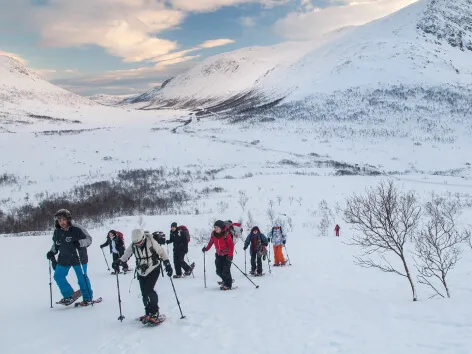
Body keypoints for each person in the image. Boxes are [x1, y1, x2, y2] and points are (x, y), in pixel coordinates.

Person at [113, 229, 173, 325]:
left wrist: (167, 264)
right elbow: (127, 253)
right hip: (141, 270)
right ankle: (148, 313)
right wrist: (119, 261)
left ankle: (155, 313)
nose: (138, 244)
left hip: (153, 268)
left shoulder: (151, 241)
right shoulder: (134, 244)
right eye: (136, 243)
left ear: (143, 238)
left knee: (149, 290)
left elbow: (161, 252)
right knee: (144, 292)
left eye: (140, 242)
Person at [46, 209, 94, 306]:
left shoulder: (77, 228)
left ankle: (88, 298)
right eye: (59, 221)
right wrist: (52, 252)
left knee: (82, 278)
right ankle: (68, 294)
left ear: (68, 219)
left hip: (78, 257)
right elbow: (56, 244)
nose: (62, 222)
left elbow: (89, 240)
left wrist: (79, 243)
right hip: (64, 257)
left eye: (63, 220)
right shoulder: (57, 232)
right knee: (58, 276)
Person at [202, 220, 235, 290]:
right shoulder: (213, 234)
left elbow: (231, 246)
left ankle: (228, 284)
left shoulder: (226, 234)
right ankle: (226, 280)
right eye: (215, 227)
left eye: (217, 227)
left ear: (221, 228)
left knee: (226, 271)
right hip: (218, 255)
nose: (215, 229)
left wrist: (230, 255)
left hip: (227, 255)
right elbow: (211, 242)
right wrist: (206, 249)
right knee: (218, 271)